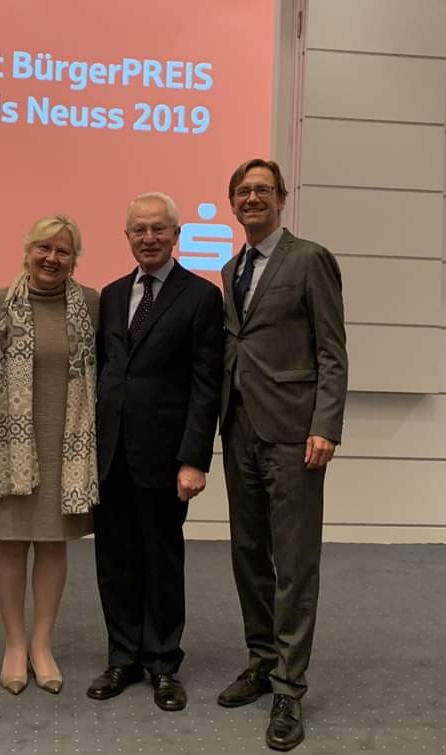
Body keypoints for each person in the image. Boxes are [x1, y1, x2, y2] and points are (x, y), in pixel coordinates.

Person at [218, 159, 348, 751]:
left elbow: (332, 349)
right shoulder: (230, 267)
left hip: (296, 433)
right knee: (247, 551)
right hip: (238, 428)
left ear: (281, 199)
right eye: (243, 192)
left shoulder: (309, 258)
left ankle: (289, 688)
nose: (252, 198)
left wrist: (326, 424)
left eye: (262, 190)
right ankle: (261, 659)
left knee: (294, 561)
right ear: (233, 202)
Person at [87, 192, 223, 712]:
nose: (149, 238)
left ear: (176, 235)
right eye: (139, 230)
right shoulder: (113, 293)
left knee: (162, 561)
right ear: (127, 237)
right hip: (111, 453)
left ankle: (164, 663)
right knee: (114, 560)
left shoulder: (201, 296)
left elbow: (205, 384)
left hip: (167, 459)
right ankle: (123, 657)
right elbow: (107, 372)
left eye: (159, 229)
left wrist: (194, 458)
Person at [0, 215, 99, 696]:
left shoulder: (92, 305)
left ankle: (43, 644)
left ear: (74, 258)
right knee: (12, 541)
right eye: (44, 247)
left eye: (63, 250)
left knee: (54, 542)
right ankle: (15, 645)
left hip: (69, 446)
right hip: (7, 446)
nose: (52, 258)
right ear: (28, 250)